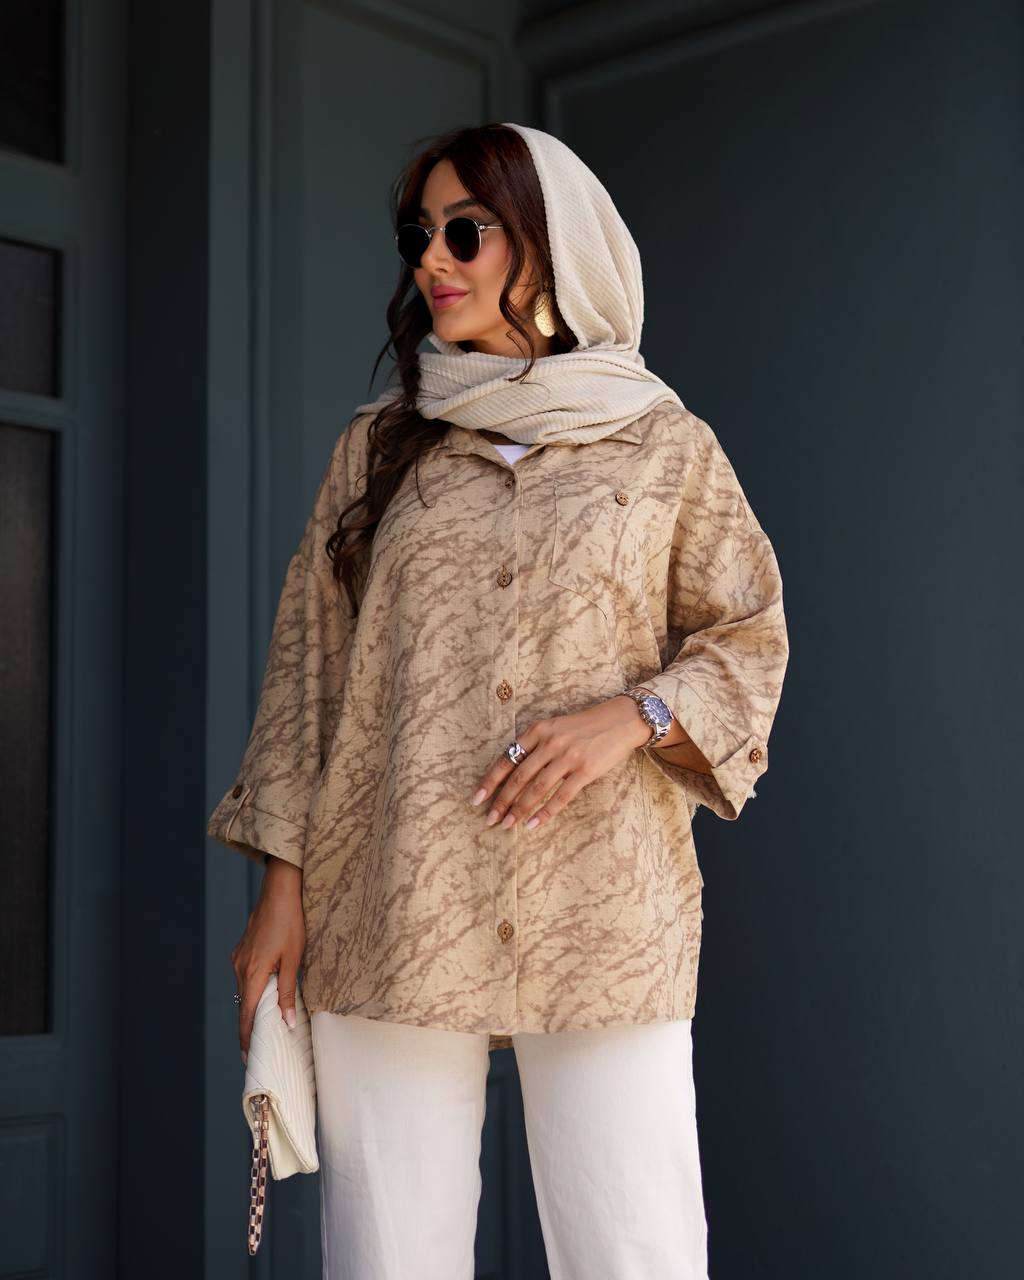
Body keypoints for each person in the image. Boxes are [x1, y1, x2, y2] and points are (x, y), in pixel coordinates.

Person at [208, 121, 790, 1279]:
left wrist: (637, 715)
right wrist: (282, 883)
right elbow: (309, 669)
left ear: (549, 240)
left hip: (603, 903)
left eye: (465, 231)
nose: (433, 257)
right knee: (386, 1255)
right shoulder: (379, 447)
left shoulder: (663, 443)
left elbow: (746, 633)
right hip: (395, 894)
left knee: (635, 1250)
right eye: (419, 234)